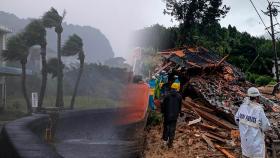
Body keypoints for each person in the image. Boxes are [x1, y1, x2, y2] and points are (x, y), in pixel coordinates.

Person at [235, 87, 270, 158]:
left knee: (246, 155)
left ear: (249, 96)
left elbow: (236, 119)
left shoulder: (242, 106)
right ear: (257, 97)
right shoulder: (259, 109)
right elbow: (266, 126)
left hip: (245, 142)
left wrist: (244, 127)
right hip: (256, 146)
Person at [161, 83, 182, 148]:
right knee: (172, 129)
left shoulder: (167, 96)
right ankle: (170, 143)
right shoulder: (179, 96)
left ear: (171, 88)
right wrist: (178, 113)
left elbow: (163, 105)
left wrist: (163, 112)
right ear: (177, 88)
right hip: (174, 116)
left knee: (166, 128)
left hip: (167, 115)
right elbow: (179, 107)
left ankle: (164, 142)